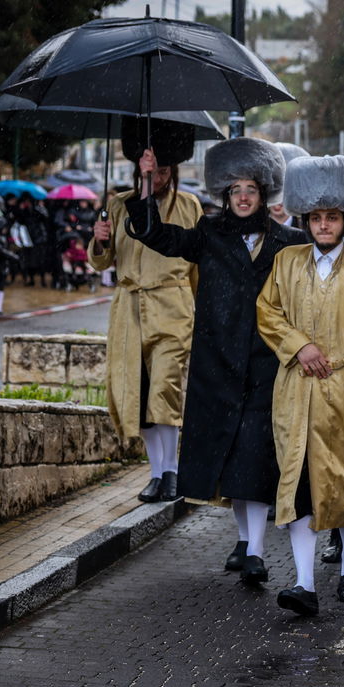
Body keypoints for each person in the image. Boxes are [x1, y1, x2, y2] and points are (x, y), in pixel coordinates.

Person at [127, 137, 305, 584]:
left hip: (267, 364)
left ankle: (256, 551)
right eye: (235, 190)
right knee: (230, 462)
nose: (243, 197)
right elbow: (155, 234)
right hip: (217, 366)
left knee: (256, 458)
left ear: (264, 193)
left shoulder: (289, 242)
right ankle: (246, 543)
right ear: (225, 195)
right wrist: (147, 182)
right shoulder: (208, 234)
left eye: (251, 188)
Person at [256, 155, 344, 615]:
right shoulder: (286, 260)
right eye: (315, 218)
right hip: (296, 388)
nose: (323, 225)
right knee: (297, 482)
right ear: (305, 219)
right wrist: (299, 346)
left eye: (331, 217)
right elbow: (267, 312)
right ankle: (303, 583)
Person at [89, 121, 201, 504]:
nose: (159, 176)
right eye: (153, 170)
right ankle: (156, 473)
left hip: (172, 307)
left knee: (165, 388)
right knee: (136, 393)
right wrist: (98, 240)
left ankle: (171, 471)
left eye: (166, 171)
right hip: (129, 310)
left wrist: (201, 312)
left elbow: (197, 261)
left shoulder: (188, 206)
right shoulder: (118, 204)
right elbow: (102, 263)